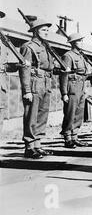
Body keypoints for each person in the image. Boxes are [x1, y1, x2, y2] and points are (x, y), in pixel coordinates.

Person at [19, 17, 55, 159]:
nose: (46, 32)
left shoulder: (45, 47)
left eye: (47, 30)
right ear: (35, 31)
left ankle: (37, 145)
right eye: (43, 30)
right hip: (34, 82)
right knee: (31, 115)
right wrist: (26, 90)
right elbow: (24, 69)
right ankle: (29, 146)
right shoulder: (28, 47)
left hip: (46, 82)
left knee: (42, 114)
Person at [60, 33, 91, 149]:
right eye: (80, 41)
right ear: (73, 43)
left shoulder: (81, 56)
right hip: (72, 87)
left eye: (82, 40)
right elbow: (64, 75)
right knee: (70, 112)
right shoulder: (68, 56)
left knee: (79, 113)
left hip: (81, 86)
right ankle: (67, 137)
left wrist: (85, 88)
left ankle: (75, 136)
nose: (82, 43)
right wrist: (64, 93)